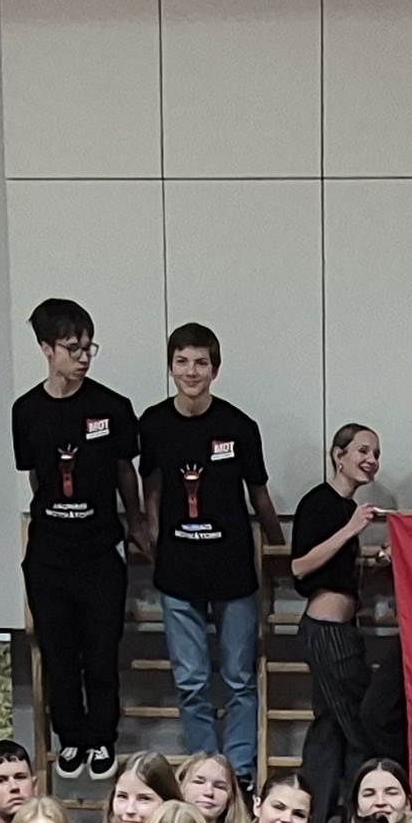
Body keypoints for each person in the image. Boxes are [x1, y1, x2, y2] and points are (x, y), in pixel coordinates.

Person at [139, 321, 275, 770]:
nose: (191, 371)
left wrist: (280, 550)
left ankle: (239, 772)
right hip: (177, 571)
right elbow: (152, 486)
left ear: (215, 369)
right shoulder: (153, 424)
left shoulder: (239, 426)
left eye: (201, 362)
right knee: (191, 681)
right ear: (170, 367)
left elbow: (259, 496)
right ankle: (204, 771)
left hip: (233, 571)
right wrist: (152, 531)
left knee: (239, 679)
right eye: (182, 362)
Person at [14, 296, 139, 779]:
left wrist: (138, 523)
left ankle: (102, 737)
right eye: (73, 348)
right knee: (58, 650)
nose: (83, 357)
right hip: (50, 552)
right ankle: (70, 737)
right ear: (46, 349)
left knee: (101, 649)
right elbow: (35, 476)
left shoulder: (112, 407)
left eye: (89, 347)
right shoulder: (27, 410)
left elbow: (125, 473)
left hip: (100, 549)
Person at [286, 422, 389, 823]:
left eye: (376, 454)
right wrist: (351, 530)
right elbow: (300, 566)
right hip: (327, 634)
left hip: (340, 631)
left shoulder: (346, 508)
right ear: (338, 455)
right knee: (361, 730)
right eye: (363, 451)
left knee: (329, 731)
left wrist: (371, 559)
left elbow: (337, 567)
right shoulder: (321, 502)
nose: (371, 460)